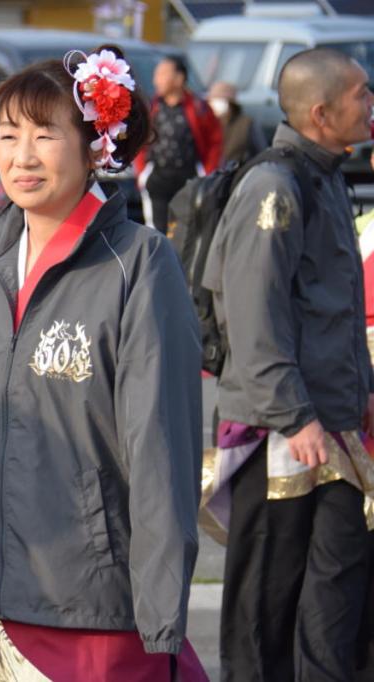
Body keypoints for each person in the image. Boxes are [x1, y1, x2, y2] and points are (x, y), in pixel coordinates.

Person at [0, 47, 206, 679]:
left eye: (46, 134)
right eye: (9, 135)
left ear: (96, 145)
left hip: (97, 614)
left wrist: (159, 613)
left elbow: (160, 447)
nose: (22, 156)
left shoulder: (139, 263)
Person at [201, 48, 374, 681]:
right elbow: (254, 316)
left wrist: (364, 388)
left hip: (333, 427)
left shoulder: (327, 176)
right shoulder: (273, 187)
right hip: (286, 434)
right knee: (264, 606)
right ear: (322, 112)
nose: (371, 105)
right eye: (362, 94)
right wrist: (296, 416)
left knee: (336, 599)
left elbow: (338, 309)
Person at [135, 55, 222, 234]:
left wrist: (207, 171)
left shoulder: (199, 107)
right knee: (155, 230)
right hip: (157, 176)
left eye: (162, 74)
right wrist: (142, 172)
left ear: (179, 78)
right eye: (156, 74)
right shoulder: (151, 107)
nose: (156, 80)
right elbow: (139, 139)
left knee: (187, 229)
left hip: (188, 177)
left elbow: (215, 141)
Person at [207, 81, 265, 166]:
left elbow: (260, 151)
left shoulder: (246, 123)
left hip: (237, 174)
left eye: (219, 101)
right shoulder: (207, 123)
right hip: (212, 175)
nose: (214, 105)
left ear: (230, 104)